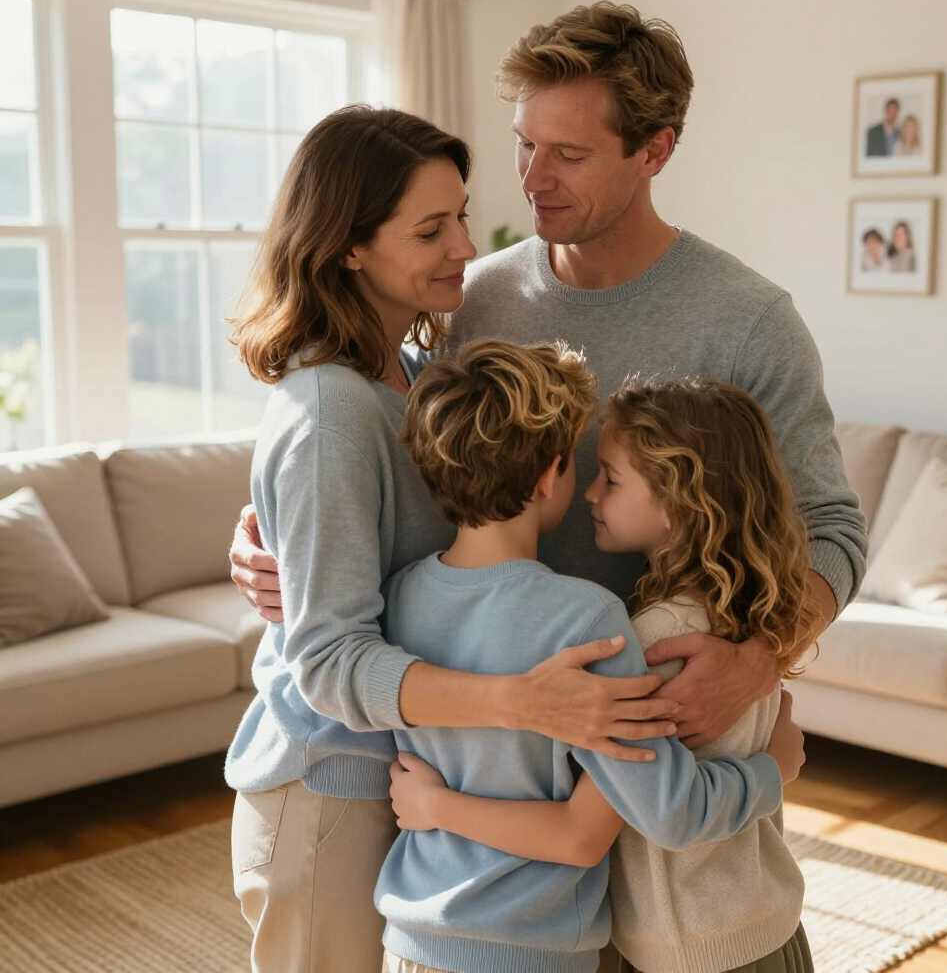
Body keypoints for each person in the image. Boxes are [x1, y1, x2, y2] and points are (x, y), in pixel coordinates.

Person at [231, 1, 866, 773]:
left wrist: (760, 660)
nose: (533, 180)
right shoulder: (469, 299)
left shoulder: (749, 322)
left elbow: (830, 530)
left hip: (650, 730)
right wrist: (273, 544)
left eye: (568, 152)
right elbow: (389, 462)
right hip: (483, 754)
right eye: (524, 144)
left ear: (654, 150)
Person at [224, 105, 676, 973]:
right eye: (431, 230)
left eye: (461, 214)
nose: (467, 246)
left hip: (402, 782)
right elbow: (326, 661)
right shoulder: (331, 413)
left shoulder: (421, 378)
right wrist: (522, 702)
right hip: (329, 790)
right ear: (348, 247)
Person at [377, 340, 804, 973]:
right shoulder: (592, 621)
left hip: (412, 937)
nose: (589, 494)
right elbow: (647, 815)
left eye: (610, 476)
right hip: (539, 947)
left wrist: (434, 808)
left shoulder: (396, 595)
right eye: (588, 468)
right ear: (551, 474)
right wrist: (774, 769)